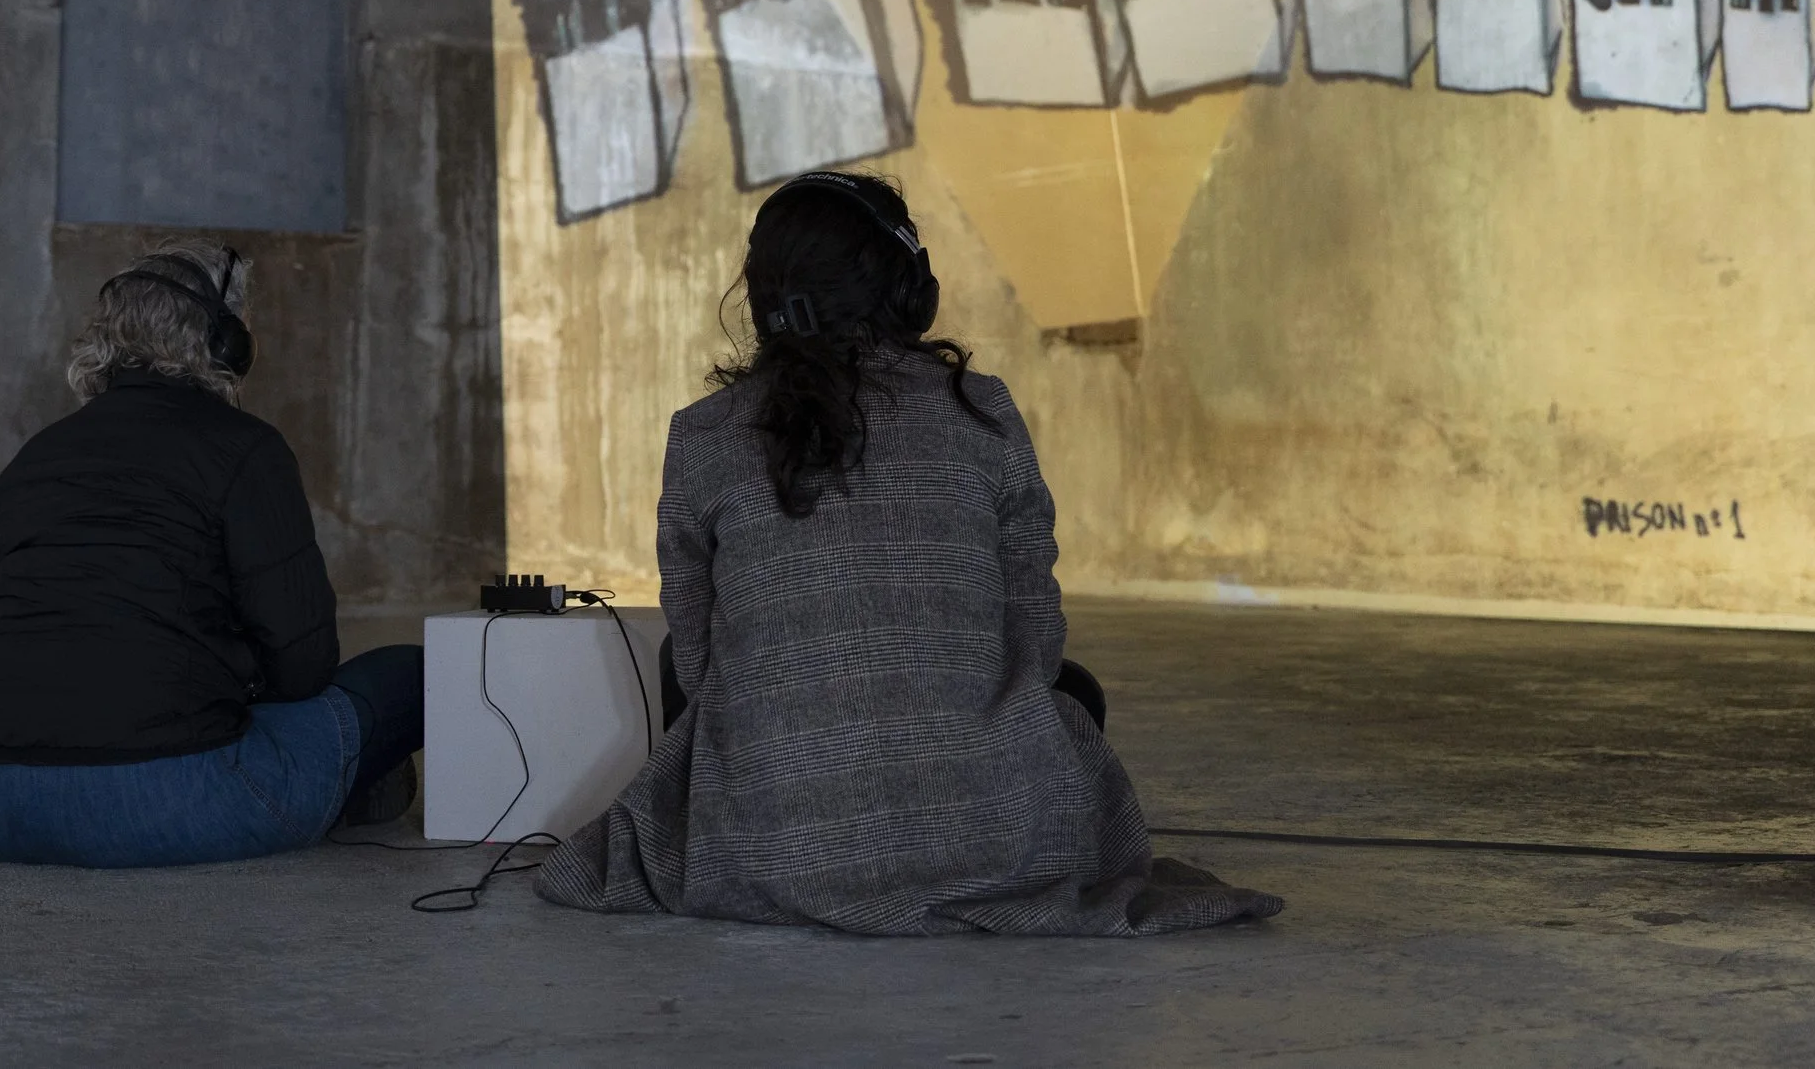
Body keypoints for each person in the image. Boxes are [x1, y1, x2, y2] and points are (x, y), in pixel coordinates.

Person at [536, 173, 1283, 935]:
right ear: (911, 289)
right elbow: (1036, 636)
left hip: (776, 851)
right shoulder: (981, 411)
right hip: (994, 844)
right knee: (1071, 693)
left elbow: (696, 662)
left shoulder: (702, 434)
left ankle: (805, 819)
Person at [0, 238, 422, 867]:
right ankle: (338, 788)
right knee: (417, 675)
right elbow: (303, 666)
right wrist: (233, 671)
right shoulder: (245, 448)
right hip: (166, 799)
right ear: (227, 343)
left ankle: (335, 786)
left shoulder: (31, 460)